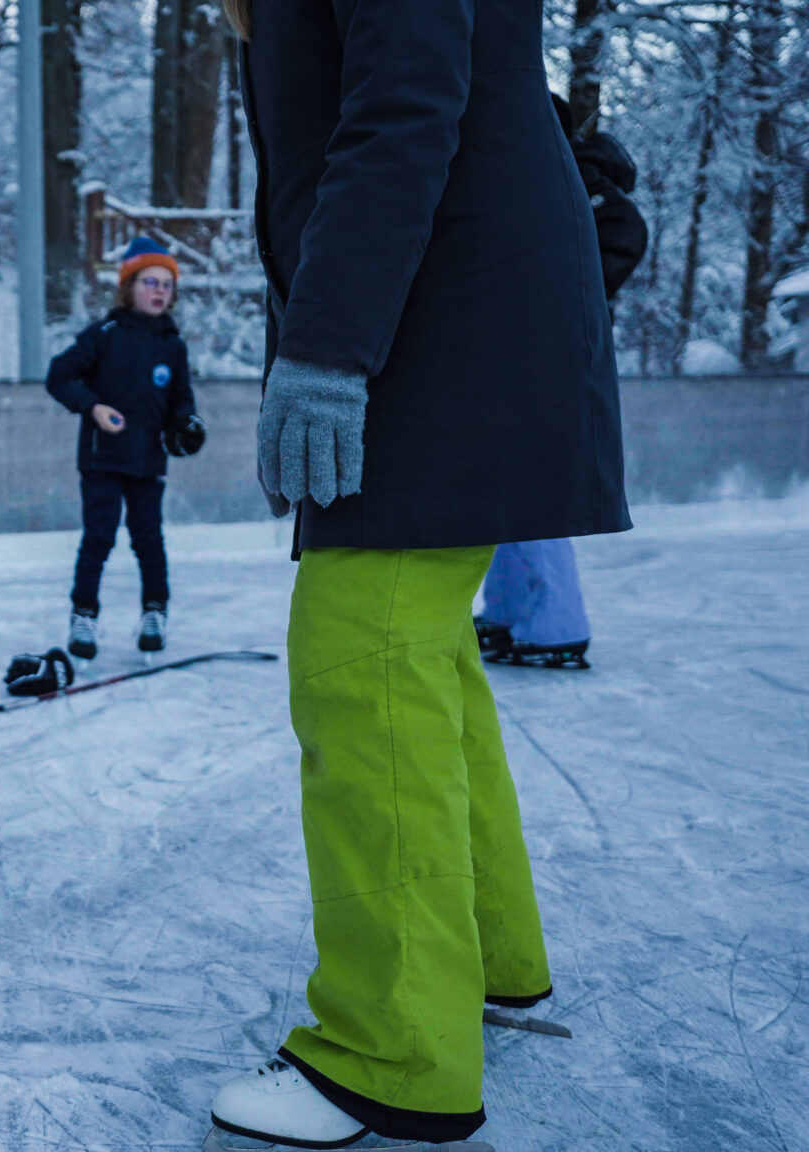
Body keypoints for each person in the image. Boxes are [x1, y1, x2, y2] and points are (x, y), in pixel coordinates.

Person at [212, 0, 630, 1147]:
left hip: (439, 327)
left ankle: (390, 1050)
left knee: (360, 656)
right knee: (426, 658)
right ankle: (489, 959)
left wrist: (327, 351)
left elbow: (400, 112)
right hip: (448, 314)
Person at [476, 93, 649, 672]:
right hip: (512, 351)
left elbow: (625, 228)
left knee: (528, 489)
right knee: (501, 486)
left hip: (545, 355)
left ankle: (555, 624)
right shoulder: (526, 169)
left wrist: (562, 302)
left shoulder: (571, 171)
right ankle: (507, 610)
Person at [44, 236, 206, 659]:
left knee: (148, 539)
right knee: (98, 537)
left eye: (166, 285)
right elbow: (59, 376)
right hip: (102, 459)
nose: (158, 291)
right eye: (149, 282)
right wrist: (93, 407)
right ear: (129, 286)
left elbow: (181, 400)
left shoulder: (173, 345)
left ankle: (155, 613)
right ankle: (83, 617)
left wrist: (186, 425)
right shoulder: (104, 335)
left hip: (148, 461)